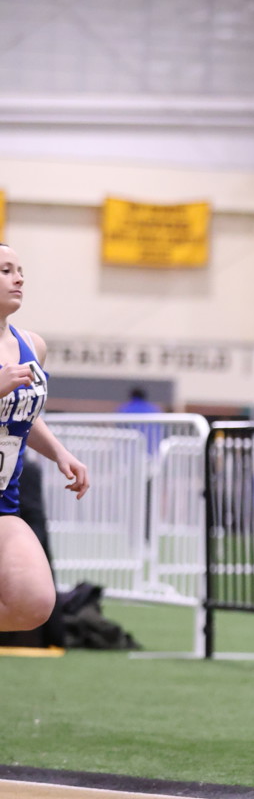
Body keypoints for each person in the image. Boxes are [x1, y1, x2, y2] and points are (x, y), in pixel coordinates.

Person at [0, 243, 89, 631]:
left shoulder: (32, 346)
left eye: (20, 270)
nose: (18, 279)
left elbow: (24, 414)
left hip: (3, 501)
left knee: (33, 602)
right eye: (5, 270)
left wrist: (59, 452)